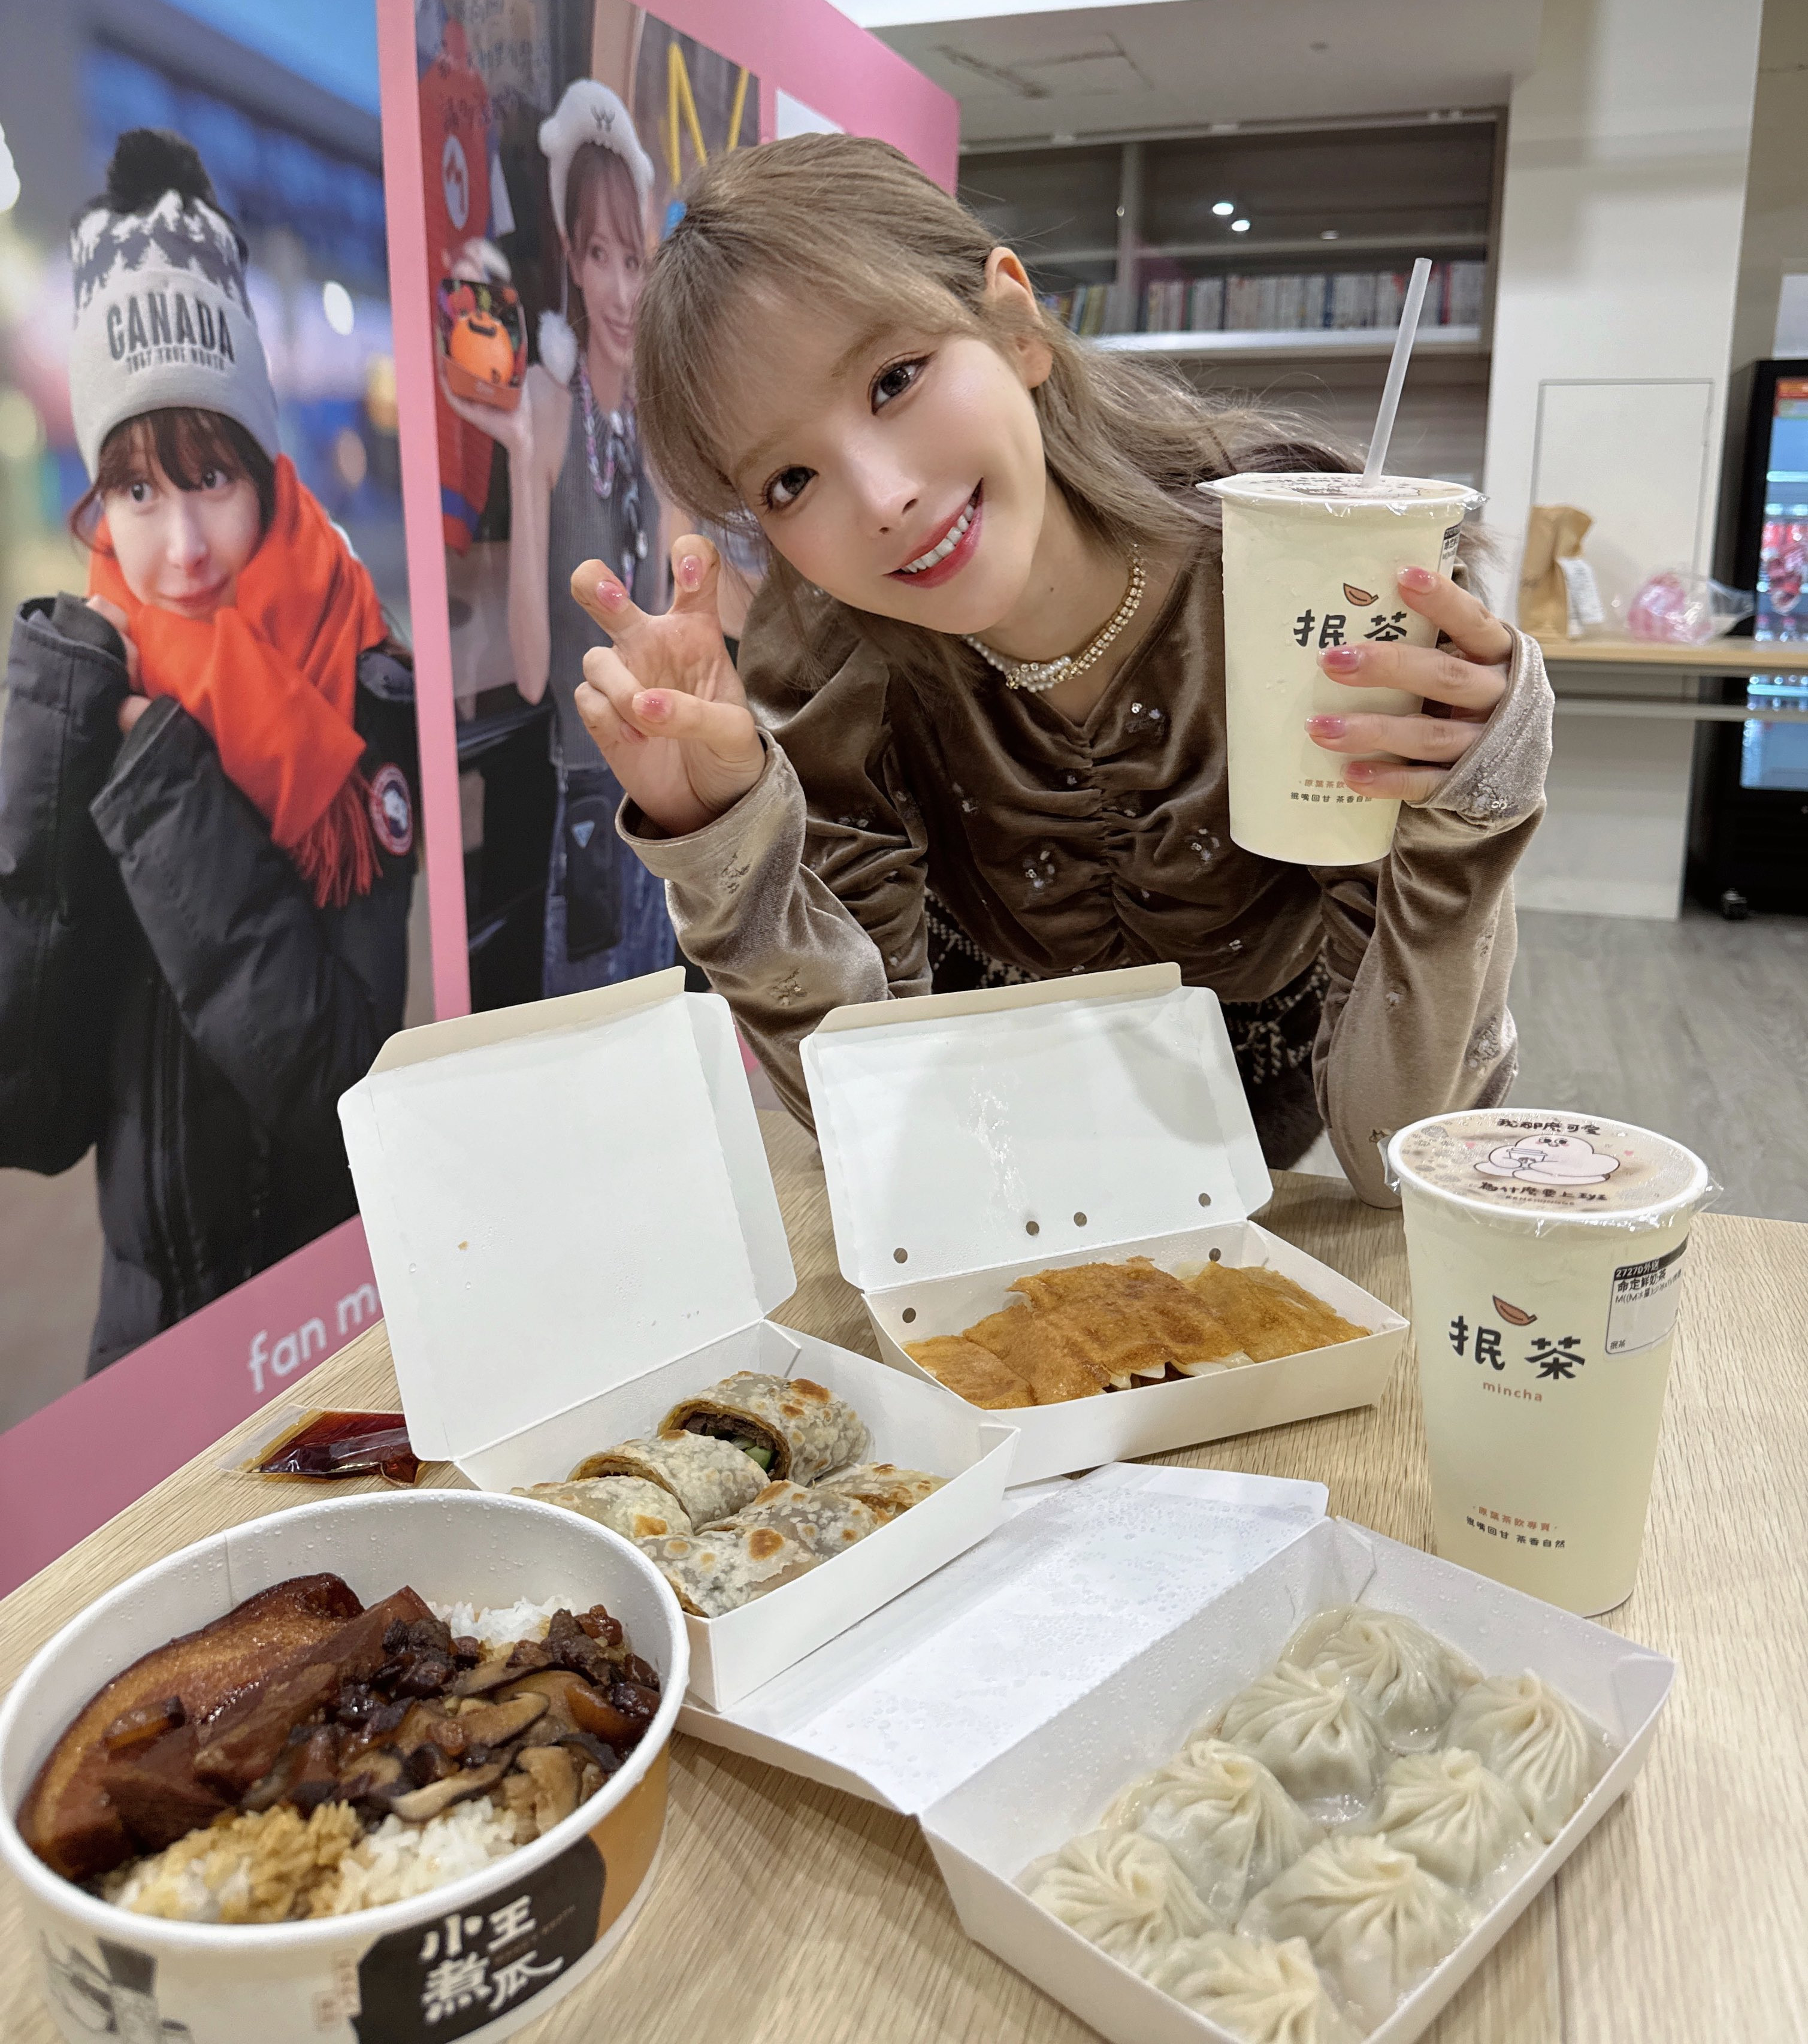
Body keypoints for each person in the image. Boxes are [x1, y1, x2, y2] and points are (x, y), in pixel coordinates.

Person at [564, 136, 1555, 1203]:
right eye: (790, 480)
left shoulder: (1303, 566)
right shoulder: (827, 665)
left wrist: (1470, 801)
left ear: (1014, 323)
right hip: (986, 1123)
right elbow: (880, 1123)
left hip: (1277, 1107)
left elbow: (1399, 1152)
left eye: (894, 380)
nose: (885, 498)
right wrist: (726, 843)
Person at [0, 131, 418, 1368]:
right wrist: (46, 752)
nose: (180, 544)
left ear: (265, 472)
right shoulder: (83, 684)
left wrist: (168, 791)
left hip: (327, 1325)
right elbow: (30, 1113)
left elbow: (341, 1091)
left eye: (211, 479)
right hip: (145, 1340)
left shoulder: (360, 684)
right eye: (137, 491)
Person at [442, 80, 679, 994]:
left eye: (635, 260)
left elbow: (666, 624)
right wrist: (516, 456)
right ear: (572, 262)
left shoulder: (656, 420)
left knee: (660, 1012)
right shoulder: (545, 404)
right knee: (593, 1031)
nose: (620, 290)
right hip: (586, 788)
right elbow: (537, 675)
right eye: (599, 256)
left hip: (663, 789)